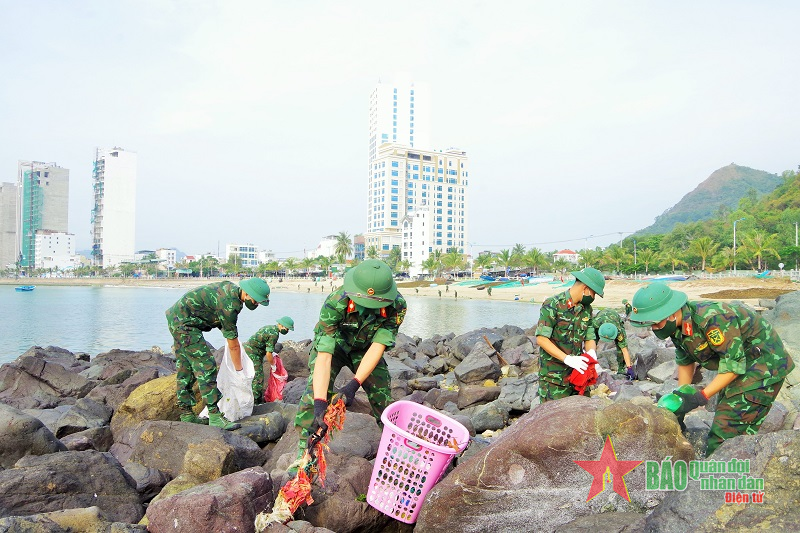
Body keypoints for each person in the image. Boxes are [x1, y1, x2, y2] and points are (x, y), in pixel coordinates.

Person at [629, 282, 794, 455]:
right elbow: (685, 361)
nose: (654, 329)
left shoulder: (712, 319)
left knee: (725, 433)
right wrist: (681, 397)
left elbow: (733, 366)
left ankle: (725, 468)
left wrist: (700, 397)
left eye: (656, 323)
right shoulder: (678, 326)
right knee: (729, 417)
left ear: (671, 312)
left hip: (763, 365)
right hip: (739, 364)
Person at [294, 259, 407, 459]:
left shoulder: (397, 306)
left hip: (366, 348)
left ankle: (395, 449)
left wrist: (354, 384)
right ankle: (305, 453)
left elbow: (378, 346)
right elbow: (324, 357)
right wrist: (320, 402)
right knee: (314, 395)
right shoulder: (335, 302)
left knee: (381, 394)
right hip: (335, 346)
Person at [166, 278, 271, 430]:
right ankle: (214, 415)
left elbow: (222, 322)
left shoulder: (230, 291)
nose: (257, 304)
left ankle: (186, 414)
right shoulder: (230, 304)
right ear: (247, 293)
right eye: (256, 301)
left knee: (186, 367)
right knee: (206, 365)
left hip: (176, 318)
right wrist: (239, 371)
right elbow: (233, 345)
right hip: (185, 324)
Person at [535, 267, 605, 402]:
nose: (593, 298)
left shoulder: (586, 309)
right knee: (554, 414)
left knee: (583, 411)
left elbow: (589, 337)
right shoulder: (553, 304)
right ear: (586, 288)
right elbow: (542, 339)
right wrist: (567, 359)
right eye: (594, 294)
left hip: (578, 376)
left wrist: (591, 353)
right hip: (553, 379)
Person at [243, 316, 294, 404]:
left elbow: (266, 345)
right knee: (258, 378)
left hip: (249, 350)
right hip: (252, 353)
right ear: (282, 325)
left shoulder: (270, 328)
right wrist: (273, 365)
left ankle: (252, 399)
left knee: (250, 375)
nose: (287, 331)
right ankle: (256, 403)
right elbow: (268, 354)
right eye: (287, 329)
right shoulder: (274, 334)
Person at [594, 309, 635, 379]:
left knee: (620, 348)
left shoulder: (619, 331)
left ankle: (621, 368)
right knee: (592, 344)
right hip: (601, 316)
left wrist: (629, 368)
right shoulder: (595, 324)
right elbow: (589, 344)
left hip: (614, 317)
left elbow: (624, 350)